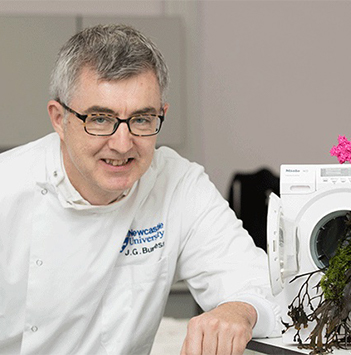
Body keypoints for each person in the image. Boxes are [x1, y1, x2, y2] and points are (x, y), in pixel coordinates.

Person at [0, 24, 280, 354]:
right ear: (59, 119)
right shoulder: (8, 187)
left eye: (142, 119)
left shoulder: (178, 185)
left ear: (161, 115)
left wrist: (238, 311)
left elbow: (264, 287)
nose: (122, 144)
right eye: (100, 119)